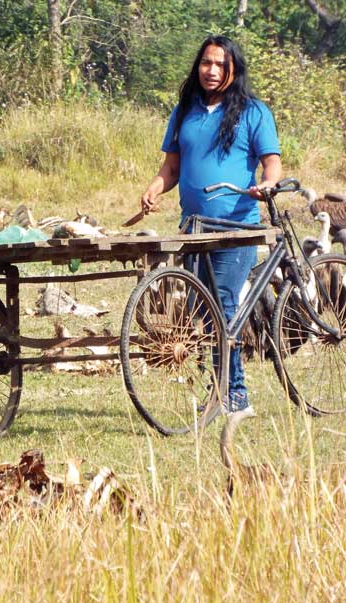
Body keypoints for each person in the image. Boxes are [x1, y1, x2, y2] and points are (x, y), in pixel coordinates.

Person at [139, 34, 282, 415]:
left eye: (221, 64)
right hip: (194, 228)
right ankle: (229, 390)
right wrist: (155, 188)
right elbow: (171, 167)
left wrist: (266, 185)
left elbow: (272, 163)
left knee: (223, 304)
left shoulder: (254, 112)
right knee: (206, 311)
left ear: (234, 69)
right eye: (207, 63)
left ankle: (233, 395)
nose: (212, 70)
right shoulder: (184, 111)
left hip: (237, 227)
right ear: (197, 67)